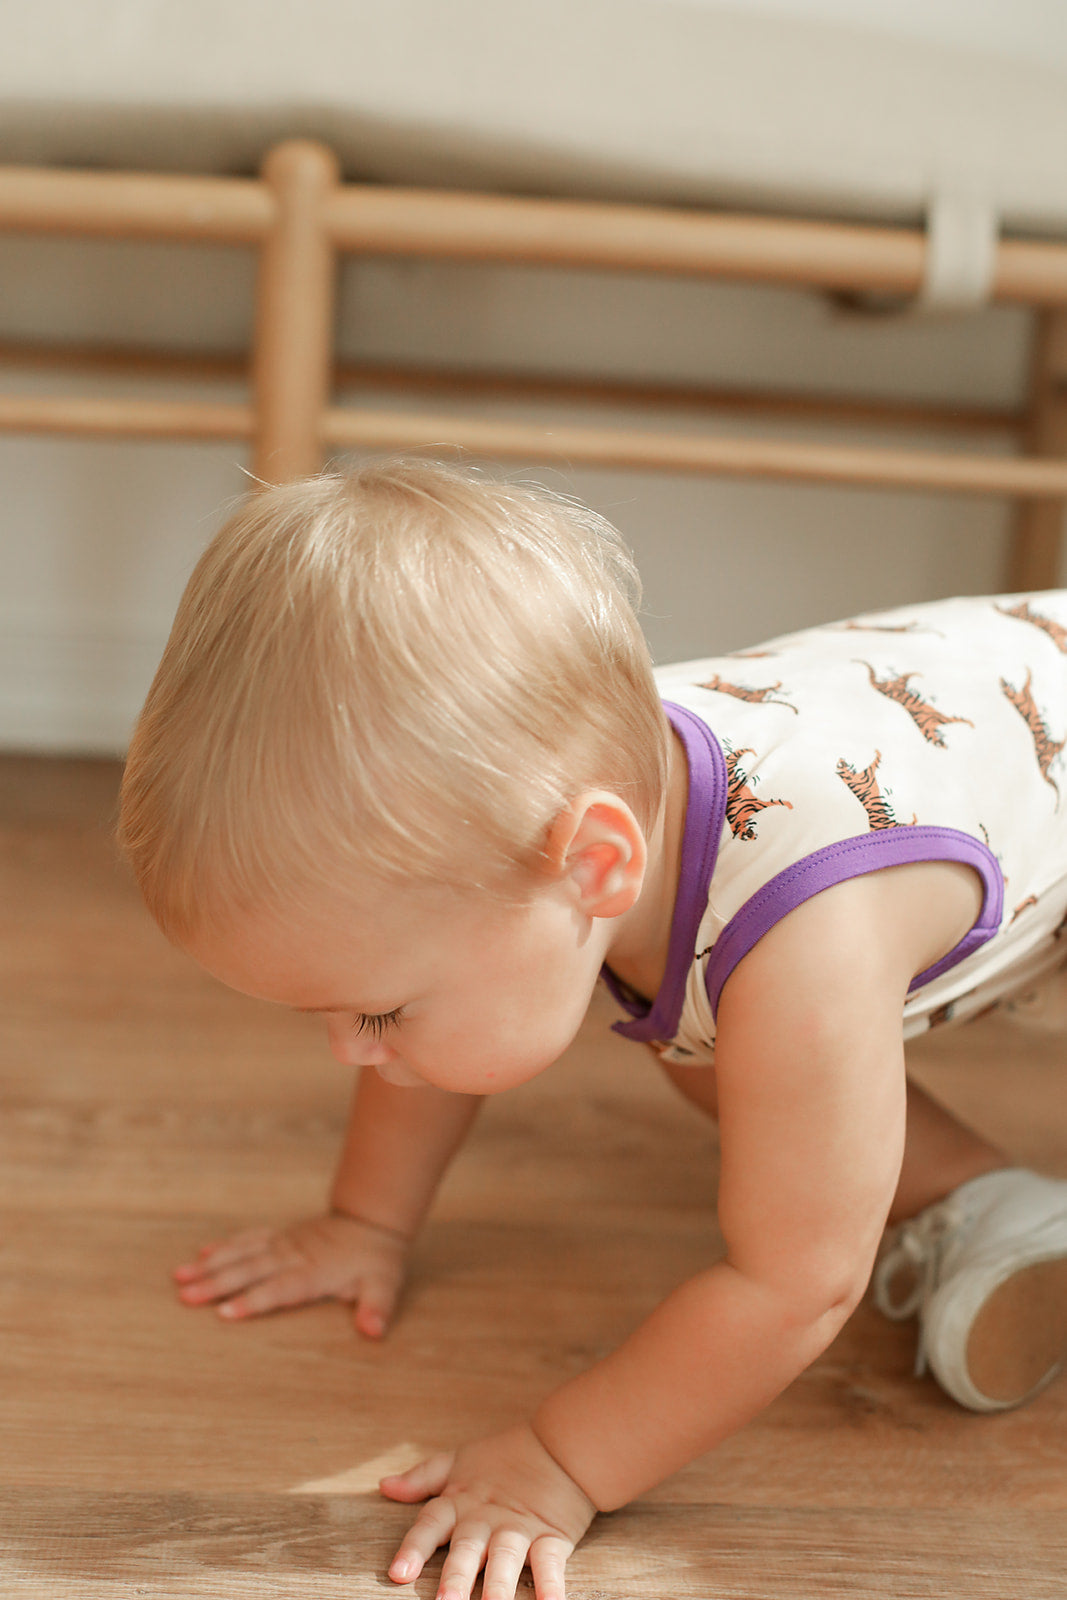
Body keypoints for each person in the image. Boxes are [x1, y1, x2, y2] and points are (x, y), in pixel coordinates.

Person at [119, 460, 1067, 1600]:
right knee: (715, 1060)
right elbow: (435, 1038)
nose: (351, 1050)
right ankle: (988, 1205)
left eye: (377, 1010)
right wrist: (363, 1218)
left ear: (596, 865)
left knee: (771, 1098)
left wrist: (559, 1462)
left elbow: (793, 1285)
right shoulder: (533, 789)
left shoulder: (802, 941)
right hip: (1008, 681)